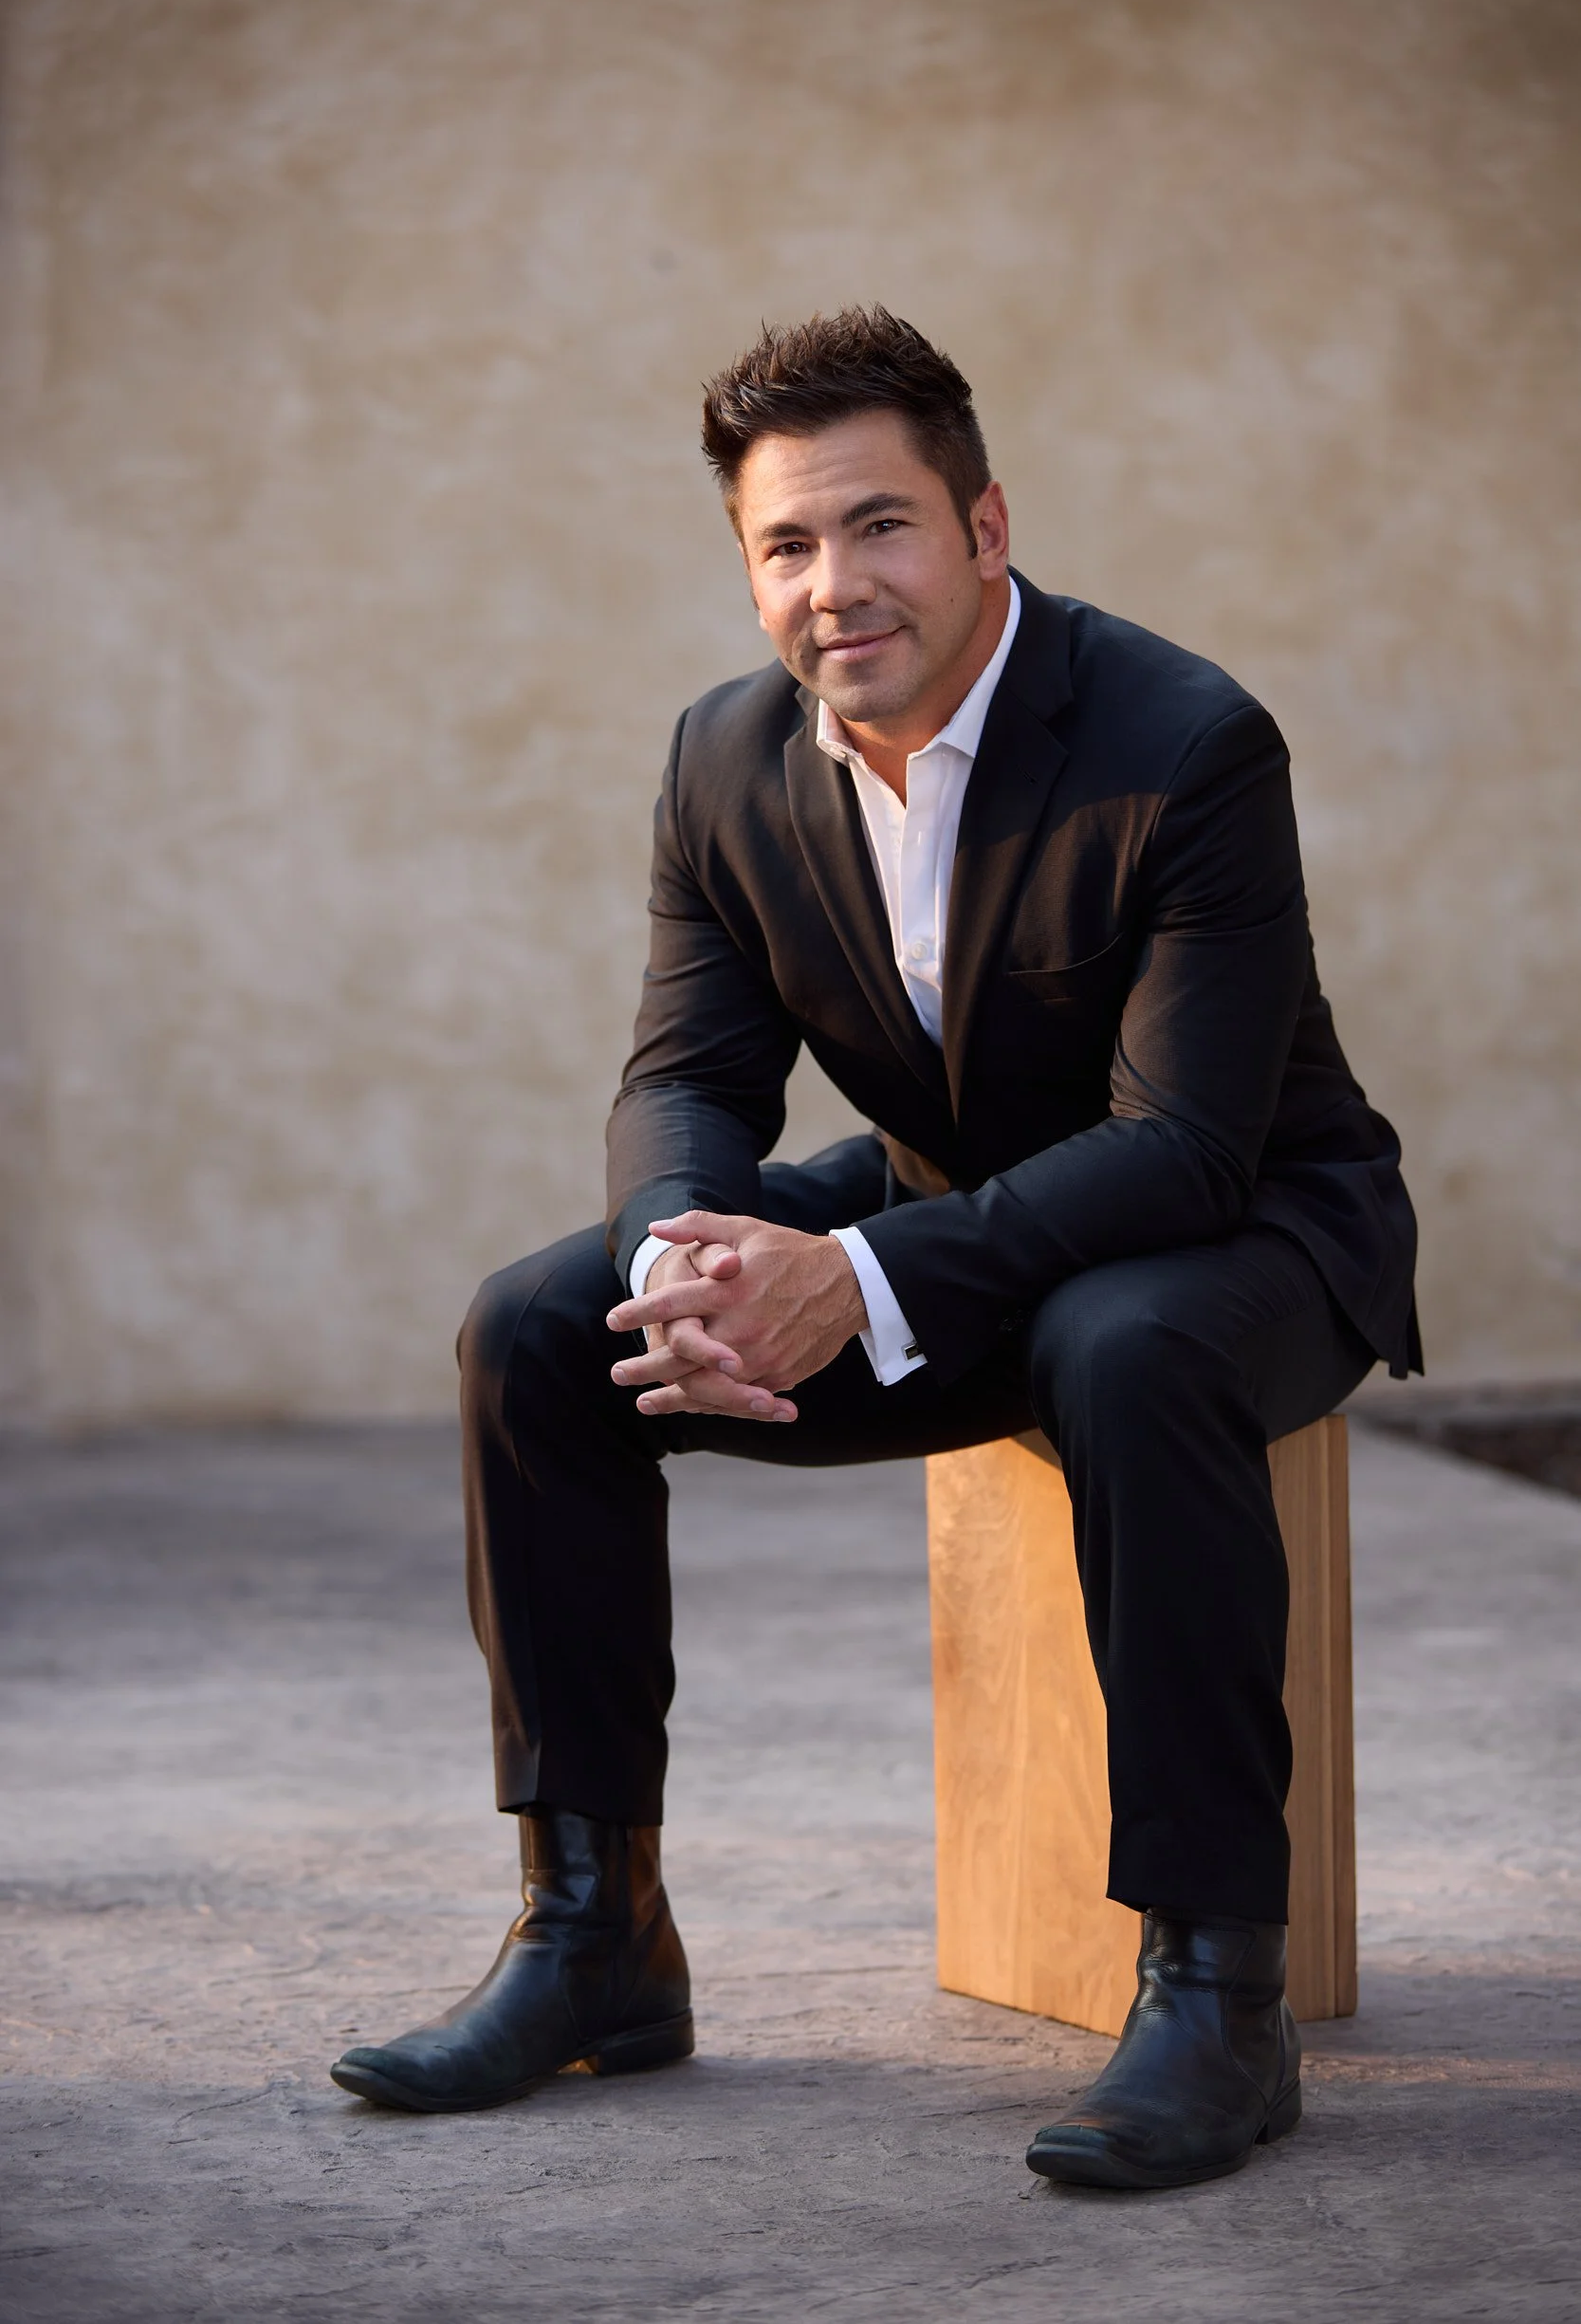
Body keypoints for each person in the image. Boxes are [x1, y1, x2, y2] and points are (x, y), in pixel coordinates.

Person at [330, 306, 1418, 2190]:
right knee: (535, 1326)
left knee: (1121, 1340)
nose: (835, 585)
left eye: (879, 525)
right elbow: (686, 1066)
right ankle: (597, 1930)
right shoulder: (724, 762)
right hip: (946, 1201)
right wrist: (686, 1256)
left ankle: (1212, 1987)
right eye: (784, 543)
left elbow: (1177, 1141)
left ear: (985, 526)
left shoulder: (1185, 741)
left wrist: (867, 1279)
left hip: (1250, 1227)